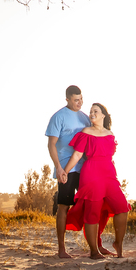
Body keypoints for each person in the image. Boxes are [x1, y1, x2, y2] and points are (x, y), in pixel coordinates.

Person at [60, 102, 130, 258]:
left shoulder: (110, 134)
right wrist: (65, 171)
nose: (92, 113)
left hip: (109, 175)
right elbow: (77, 155)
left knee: (122, 208)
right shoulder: (86, 132)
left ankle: (118, 242)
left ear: (103, 115)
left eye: (95, 111)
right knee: (92, 213)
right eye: (91, 111)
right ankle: (94, 251)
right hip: (91, 173)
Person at [45, 85, 90, 258]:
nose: (80, 103)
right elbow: (51, 144)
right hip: (65, 169)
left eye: (81, 99)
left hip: (84, 167)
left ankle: (95, 246)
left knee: (90, 203)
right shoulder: (58, 117)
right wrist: (58, 167)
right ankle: (62, 249)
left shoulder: (85, 118)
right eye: (76, 100)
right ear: (67, 100)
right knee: (63, 205)